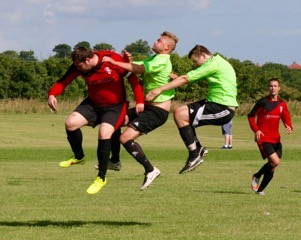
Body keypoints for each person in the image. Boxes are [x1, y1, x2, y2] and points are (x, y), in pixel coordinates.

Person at [47, 47, 144, 194]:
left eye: (80, 66)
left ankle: (101, 178)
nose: (78, 69)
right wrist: (52, 94)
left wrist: (140, 101)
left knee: (104, 133)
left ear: (88, 60)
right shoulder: (79, 66)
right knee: (71, 123)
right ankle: (79, 157)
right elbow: (63, 81)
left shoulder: (112, 59)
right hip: (93, 104)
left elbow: (132, 79)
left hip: (115, 107)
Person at [102, 31, 178, 190]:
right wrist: (127, 61)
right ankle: (115, 160)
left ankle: (150, 170)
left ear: (167, 47)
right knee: (113, 122)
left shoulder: (162, 60)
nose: (155, 41)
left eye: (159, 40)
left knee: (125, 138)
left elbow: (138, 69)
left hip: (157, 112)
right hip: (148, 108)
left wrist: (114, 63)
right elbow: (137, 65)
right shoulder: (155, 58)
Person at [146, 45, 238, 174]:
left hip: (223, 108)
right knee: (180, 113)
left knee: (181, 115)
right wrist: (177, 78)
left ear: (203, 56)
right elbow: (188, 78)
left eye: (195, 61)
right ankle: (197, 150)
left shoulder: (214, 63)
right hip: (215, 103)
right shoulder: (216, 62)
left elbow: (185, 79)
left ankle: (194, 154)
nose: (195, 65)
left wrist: (159, 89)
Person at [248, 78, 292, 195]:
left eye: (275, 86)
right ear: (269, 87)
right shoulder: (262, 102)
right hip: (263, 138)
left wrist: (289, 126)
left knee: (272, 166)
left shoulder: (282, 104)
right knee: (276, 161)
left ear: (279, 88)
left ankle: (260, 190)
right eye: (271, 86)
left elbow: (286, 117)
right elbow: (251, 116)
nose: (273, 88)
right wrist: (256, 130)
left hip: (276, 139)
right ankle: (256, 176)